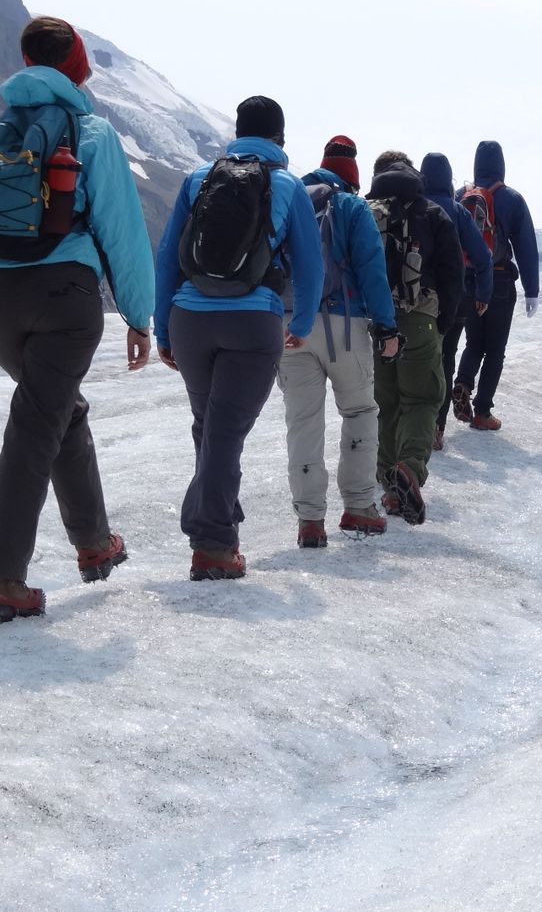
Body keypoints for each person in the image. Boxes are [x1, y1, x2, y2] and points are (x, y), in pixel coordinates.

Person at [0, 17, 155, 622]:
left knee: (60, 410)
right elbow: (121, 229)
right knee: (36, 425)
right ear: (78, 68)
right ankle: (0, 578)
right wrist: (139, 316)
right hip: (62, 296)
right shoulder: (90, 131)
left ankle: (95, 544)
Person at [153, 96, 322, 579]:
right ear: (280, 138)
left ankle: (220, 515)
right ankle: (212, 544)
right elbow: (310, 268)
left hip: (190, 320)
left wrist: (163, 326)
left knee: (210, 427)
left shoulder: (198, 179)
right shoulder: (288, 185)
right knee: (223, 433)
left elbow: (169, 257)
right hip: (252, 322)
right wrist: (303, 325)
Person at [277, 135, 399, 548]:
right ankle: (359, 505)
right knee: (360, 409)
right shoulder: (351, 206)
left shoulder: (291, 196)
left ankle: (310, 521)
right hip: (343, 325)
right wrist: (385, 325)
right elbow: (371, 268)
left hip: (292, 324)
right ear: (353, 176)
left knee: (303, 422)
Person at [366, 152, 463, 525]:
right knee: (422, 399)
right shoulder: (432, 212)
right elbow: (453, 273)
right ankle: (408, 470)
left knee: (386, 402)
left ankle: (389, 487)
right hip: (419, 318)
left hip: (375, 323)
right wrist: (443, 322)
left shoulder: (365, 210)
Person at [450, 141, 539, 431]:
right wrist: (532, 290)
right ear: (501, 164)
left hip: (466, 281)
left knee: (474, 342)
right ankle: (482, 412)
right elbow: (525, 246)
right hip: (499, 280)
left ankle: (462, 382)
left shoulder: (461, 195)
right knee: (495, 350)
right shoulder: (511, 198)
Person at [419, 152, 491, 450]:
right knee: (446, 361)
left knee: (418, 361)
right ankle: (437, 427)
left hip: (415, 299)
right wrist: (484, 294)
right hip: (455, 298)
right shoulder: (459, 211)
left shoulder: (413, 207)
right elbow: (483, 256)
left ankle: (413, 426)